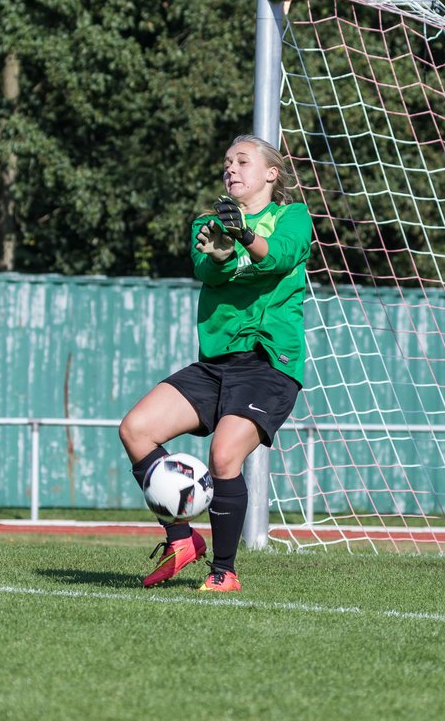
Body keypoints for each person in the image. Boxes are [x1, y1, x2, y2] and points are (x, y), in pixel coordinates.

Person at [118, 134, 311, 592]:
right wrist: (222, 253)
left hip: (268, 362)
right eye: (227, 162)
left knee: (224, 456)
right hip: (216, 363)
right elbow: (210, 272)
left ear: (271, 173)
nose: (231, 169)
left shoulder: (293, 216)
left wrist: (243, 236)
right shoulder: (207, 222)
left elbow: (278, 258)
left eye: (243, 161)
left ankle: (224, 572)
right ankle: (181, 538)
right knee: (135, 429)